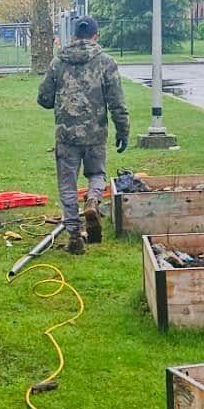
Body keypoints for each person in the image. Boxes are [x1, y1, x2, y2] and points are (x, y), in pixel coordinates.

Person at [36, 15, 129, 254]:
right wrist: (123, 130)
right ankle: (92, 201)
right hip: (95, 133)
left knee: (67, 185)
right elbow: (117, 101)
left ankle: (75, 237)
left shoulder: (59, 62)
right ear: (95, 35)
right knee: (97, 174)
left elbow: (44, 98)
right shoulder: (106, 62)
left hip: (66, 135)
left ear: (74, 35)